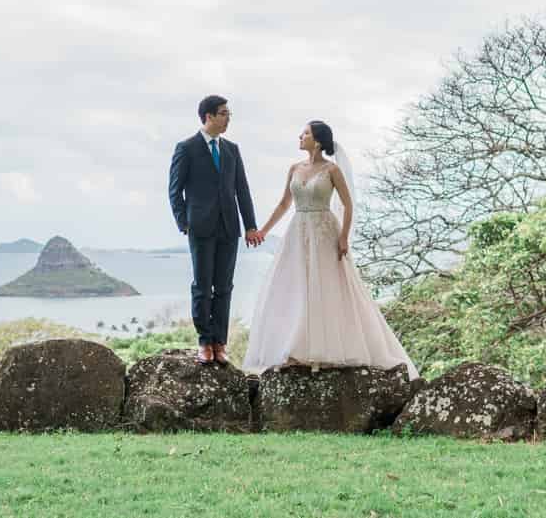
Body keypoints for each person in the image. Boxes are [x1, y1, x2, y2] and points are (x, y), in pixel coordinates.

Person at [241, 120, 416, 378]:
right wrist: (263, 232)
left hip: (324, 231)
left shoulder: (331, 170)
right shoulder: (294, 168)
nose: (300, 136)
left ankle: (328, 347)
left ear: (318, 140)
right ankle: (294, 345)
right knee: (296, 286)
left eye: (306, 133)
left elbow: (347, 204)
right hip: (298, 231)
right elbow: (283, 204)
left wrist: (344, 236)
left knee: (326, 286)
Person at [167, 95, 261, 365]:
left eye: (228, 113)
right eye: (223, 113)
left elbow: (242, 190)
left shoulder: (232, 149)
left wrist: (251, 225)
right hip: (200, 227)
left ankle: (220, 342)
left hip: (229, 227)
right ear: (208, 116)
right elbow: (175, 191)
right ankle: (204, 342)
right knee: (202, 286)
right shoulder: (186, 148)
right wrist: (184, 222)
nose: (228, 117)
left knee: (224, 287)